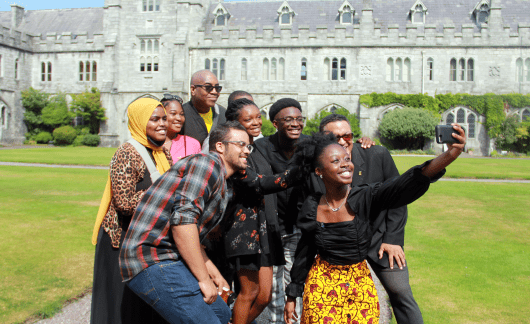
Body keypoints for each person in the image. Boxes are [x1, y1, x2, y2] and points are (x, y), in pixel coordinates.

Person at [283, 127, 466, 324]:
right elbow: (305, 252)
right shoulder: (312, 207)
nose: (346, 165)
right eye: (336, 161)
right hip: (322, 285)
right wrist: (292, 295)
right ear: (319, 171)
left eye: (347, 159)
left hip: (359, 285)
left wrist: (451, 154)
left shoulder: (365, 197)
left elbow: (404, 183)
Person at [119, 121, 253, 324]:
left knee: (223, 314)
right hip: (151, 257)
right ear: (220, 146)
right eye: (240, 144)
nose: (247, 151)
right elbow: (183, 224)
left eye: (248, 146)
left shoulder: (220, 179)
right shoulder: (206, 164)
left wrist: (216, 276)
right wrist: (204, 279)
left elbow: (192, 238)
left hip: (169, 257)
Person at [319, 114, 423, 323]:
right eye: (334, 137)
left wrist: (392, 239)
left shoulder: (377, 154)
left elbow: (398, 198)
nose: (342, 141)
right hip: (340, 242)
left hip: (379, 238)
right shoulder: (318, 162)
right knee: (333, 302)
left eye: (346, 135)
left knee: (401, 292)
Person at [90, 98, 172, 324]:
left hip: (145, 237)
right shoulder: (127, 153)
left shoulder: (161, 152)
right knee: (120, 305)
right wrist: (163, 190)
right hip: (121, 240)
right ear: (138, 122)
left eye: (164, 118)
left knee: (145, 304)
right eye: (154, 119)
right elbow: (124, 203)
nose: (162, 124)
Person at [224, 98, 303, 324]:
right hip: (245, 229)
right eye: (248, 119)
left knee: (264, 296)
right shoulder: (235, 148)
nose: (256, 122)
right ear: (234, 122)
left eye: (258, 116)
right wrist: (296, 174)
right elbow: (256, 183)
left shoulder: (254, 147)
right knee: (249, 293)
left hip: (266, 227)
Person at [254, 98, 308, 323]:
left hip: (300, 224)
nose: (296, 123)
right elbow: (261, 182)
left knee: (295, 279)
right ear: (275, 124)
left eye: (299, 119)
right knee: (273, 284)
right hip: (272, 226)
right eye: (289, 120)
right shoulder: (262, 147)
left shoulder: (309, 145)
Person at [181, 70, 226, 150]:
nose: (214, 92)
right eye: (208, 87)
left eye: (217, 88)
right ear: (193, 89)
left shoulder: (223, 114)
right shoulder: (181, 115)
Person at [160, 93, 201, 162]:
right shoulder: (151, 144)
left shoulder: (192, 144)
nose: (179, 118)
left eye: (182, 114)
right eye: (173, 114)